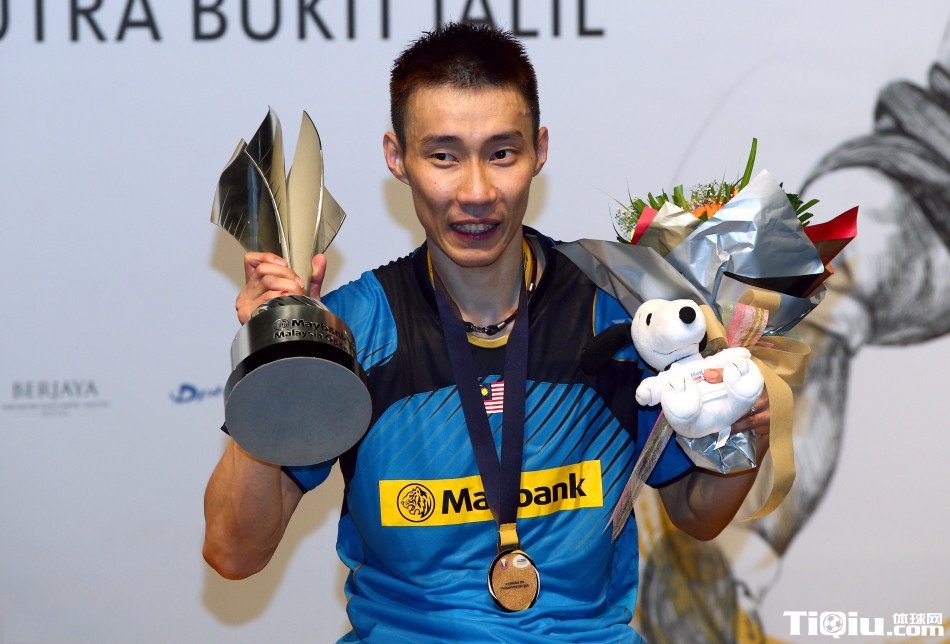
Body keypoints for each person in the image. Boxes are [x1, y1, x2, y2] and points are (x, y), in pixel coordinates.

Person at [203, 22, 771, 642]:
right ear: (397, 157)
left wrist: (748, 431)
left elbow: (696, 513)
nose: (476, 193)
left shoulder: (622, 312)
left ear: (539, 151)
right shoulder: (353, 330)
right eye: (443, 156)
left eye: (502, 153)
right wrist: (278, 363)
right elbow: (234, 552)